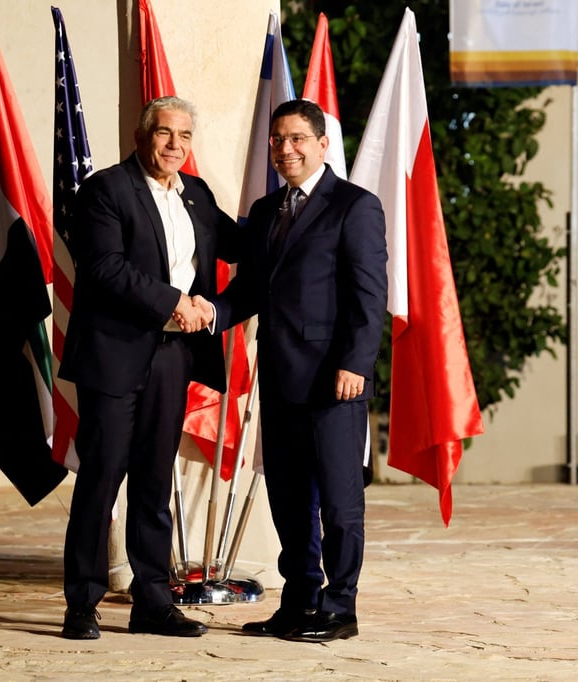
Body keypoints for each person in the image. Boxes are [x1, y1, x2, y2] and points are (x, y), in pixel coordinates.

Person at [190, 99, 388, 643]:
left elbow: (369, 298)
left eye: (298, 139)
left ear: (323, 145)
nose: (286, 149)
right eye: (278, 140)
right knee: (290, 500)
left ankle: (340, 608)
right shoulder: (266, 209)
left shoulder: (356, 206)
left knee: (340, 503)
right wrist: (211, 311)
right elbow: (253, 288)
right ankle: (299, 603)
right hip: (277, 379)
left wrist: (355, 363)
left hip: (334, 382)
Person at [57, 96, 241, 639]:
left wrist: (307, 216)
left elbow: (242, 243)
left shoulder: (197, 196)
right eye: (164, 133)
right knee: (101, 479)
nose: (174, 145)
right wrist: (174, 303)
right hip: (113, 356)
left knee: (155, 483)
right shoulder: (105, 190)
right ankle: (82, 603)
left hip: (170, 359)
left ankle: (153, 602)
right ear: (141, 137)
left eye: (184, 136)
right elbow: (106, 269)